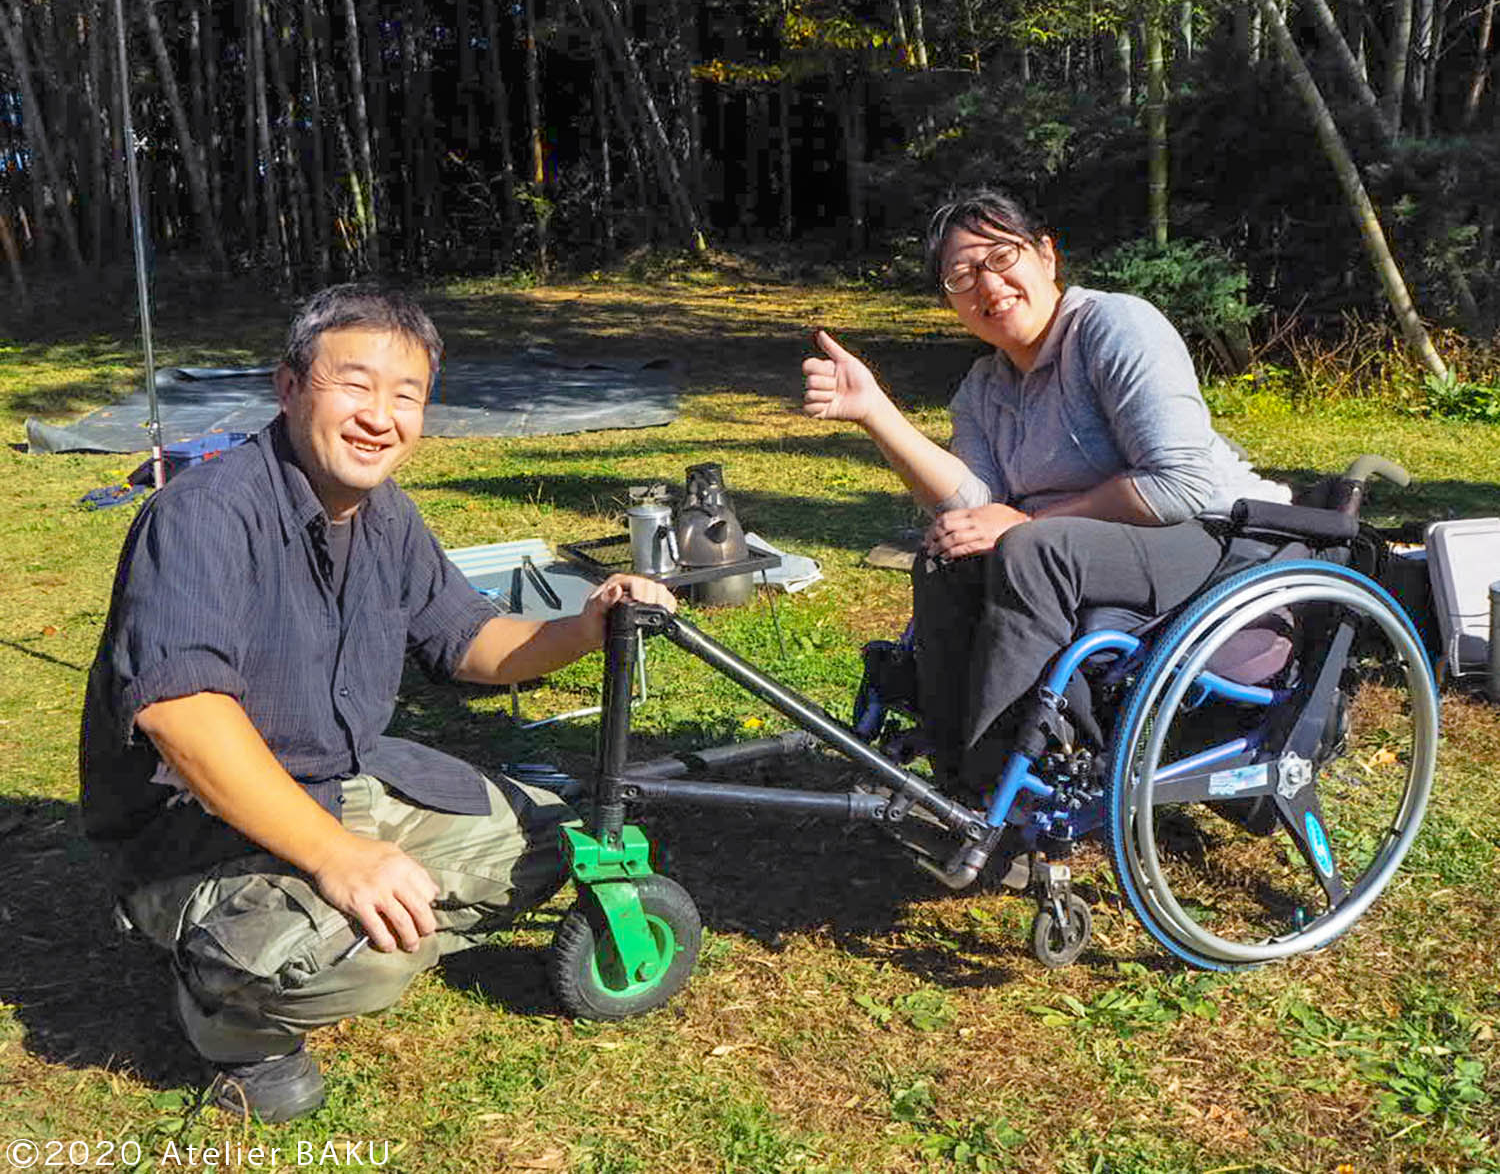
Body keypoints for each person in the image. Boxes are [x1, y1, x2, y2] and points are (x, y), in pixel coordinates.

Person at [80, 284, 675, 1122]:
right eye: (354, 384)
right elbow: (183, 715)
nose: (380, 416)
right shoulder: (203, 516)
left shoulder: (383, 515)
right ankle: (224, 1007)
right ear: (289, 386)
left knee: (562, 840)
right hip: (194, 830)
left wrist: (585, 625)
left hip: (337, 781)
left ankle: (340, 913)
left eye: (407, 395)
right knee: (372, 954)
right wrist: (339, 856)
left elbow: (471, 641)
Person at [801, 188, 1289, 795]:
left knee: (1035, 550)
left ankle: (996, 790)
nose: (987, 284)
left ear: (1047, 256)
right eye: (961, 275)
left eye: (1001, 257)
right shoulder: (985, 386)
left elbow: (1180, 482)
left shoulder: (1114, 326)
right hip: (1087, 550)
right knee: (947, 553)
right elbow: (975, 511)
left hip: (1214, 538)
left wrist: (1030, 524)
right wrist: (876, 412)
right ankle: (951, 782)